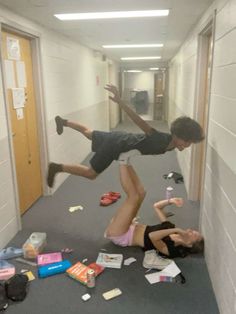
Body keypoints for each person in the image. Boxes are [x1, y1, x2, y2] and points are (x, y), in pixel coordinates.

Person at [47, 84, 204, 187]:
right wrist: (120, 102)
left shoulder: (171, 144)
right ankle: (57, 167)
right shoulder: (160, 140)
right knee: (91, 174)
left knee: (89, 133)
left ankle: (64, 122)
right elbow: (138, 121)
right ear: (176, 135)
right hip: (116, 146)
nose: (188, 145)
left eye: (190, 142)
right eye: (186, 141)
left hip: (120, 137)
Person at [104, 163, 204, 268]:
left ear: (189, 244)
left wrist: (178, 230)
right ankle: (127, 161)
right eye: (193, 231)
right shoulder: (171, 228)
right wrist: (170, 201)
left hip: (122, 235)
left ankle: (122, 162)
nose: (190, 230)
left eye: (193, 234)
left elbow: (152, 236)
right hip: (130, 226)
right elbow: (157, 207)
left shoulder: (172, 250)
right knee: (142, 193)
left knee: (133, 197)